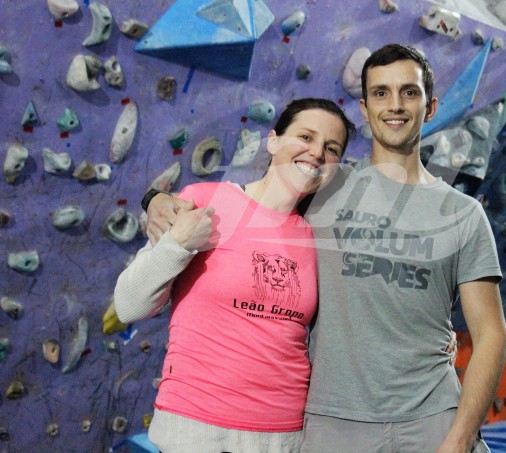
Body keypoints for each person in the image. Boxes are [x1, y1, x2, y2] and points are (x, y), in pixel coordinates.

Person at [146, 44, 506, 453]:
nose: (395, 105)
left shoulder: (463, 213)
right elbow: (239, 200)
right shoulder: (321, 185)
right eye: (380, 93)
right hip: (331, 421)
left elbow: (492, 333)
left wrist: (460, 438)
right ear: (365, 108)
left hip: (431, 416)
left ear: (430, 107)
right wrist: (154, 201)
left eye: (410, 92)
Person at [114, 98, 356, 453]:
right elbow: (128, 306)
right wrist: (177, 245)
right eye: (305, 136)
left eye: (331, 148)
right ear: (272, 141)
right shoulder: (205, 200)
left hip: (284, 436)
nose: (317, 153)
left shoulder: (317, 237)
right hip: (195, 431)